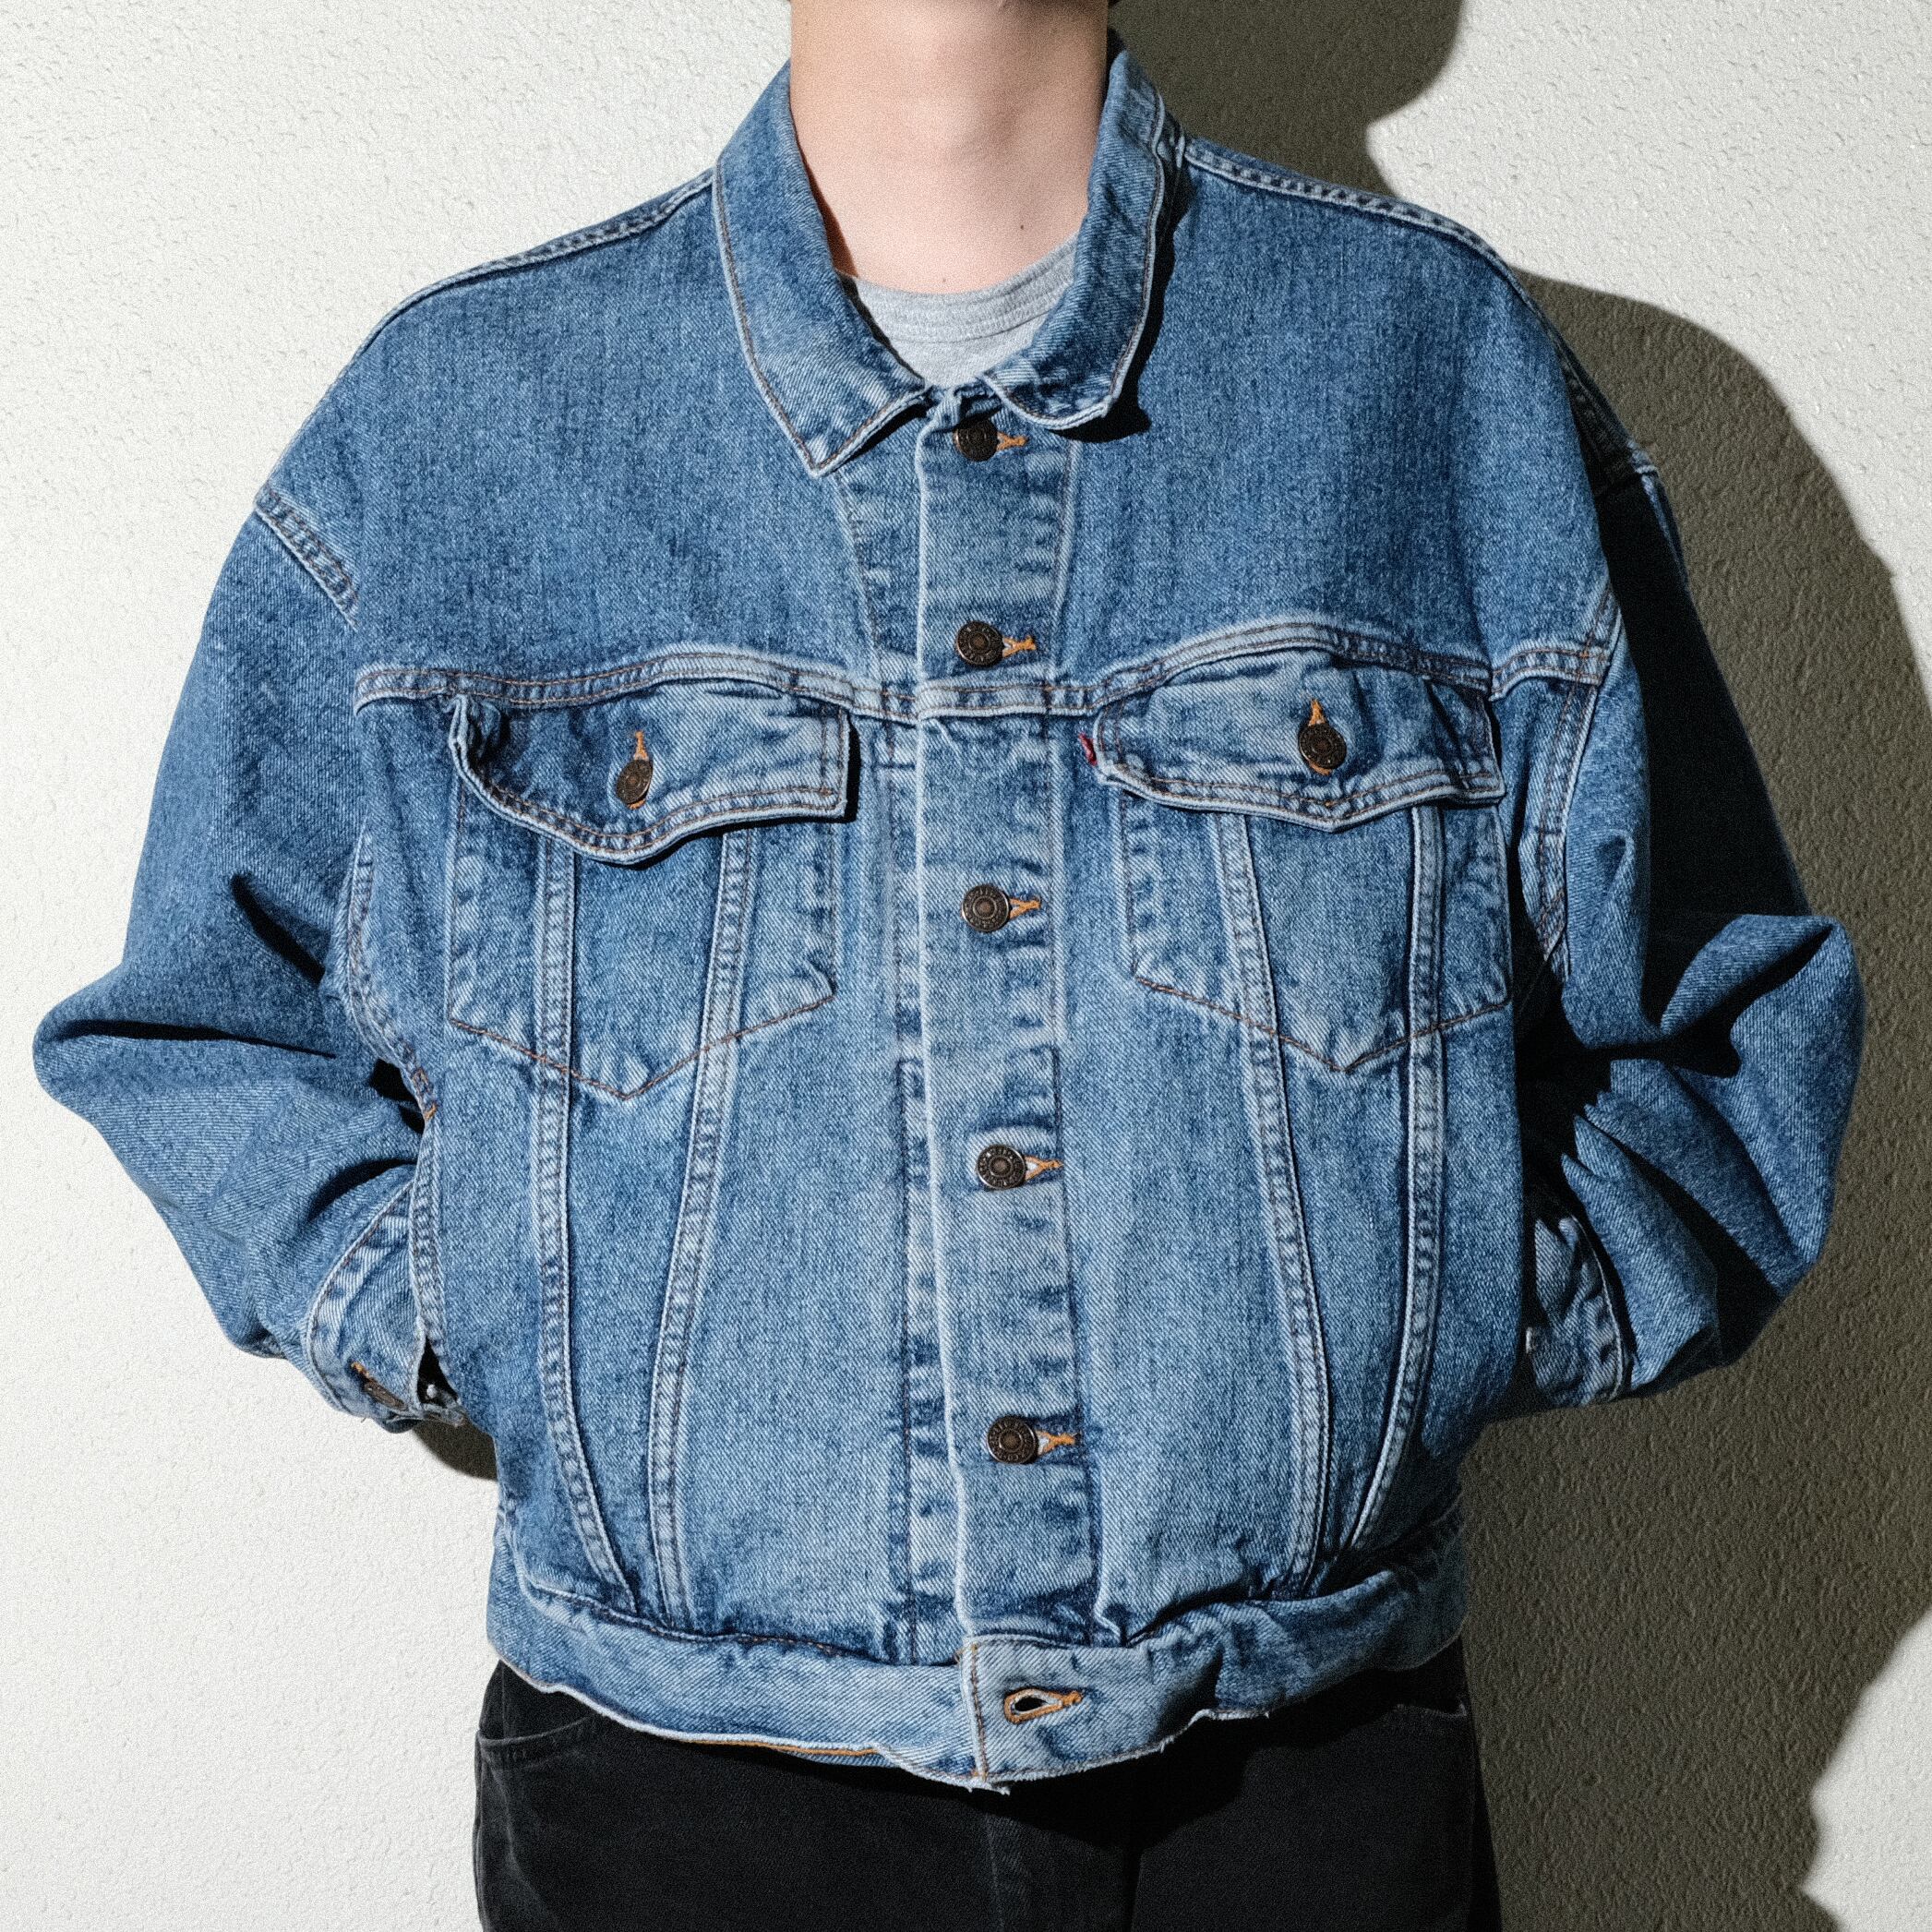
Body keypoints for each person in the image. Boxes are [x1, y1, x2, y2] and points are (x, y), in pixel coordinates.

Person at [31, 1, 1866, 1926]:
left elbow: (1724, 1031)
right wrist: (475, 1309)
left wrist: (1452, 1295)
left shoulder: (1425, 373)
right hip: (678, 1802)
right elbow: (204, 1022)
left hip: (1305, 1781)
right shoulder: (465, 420)